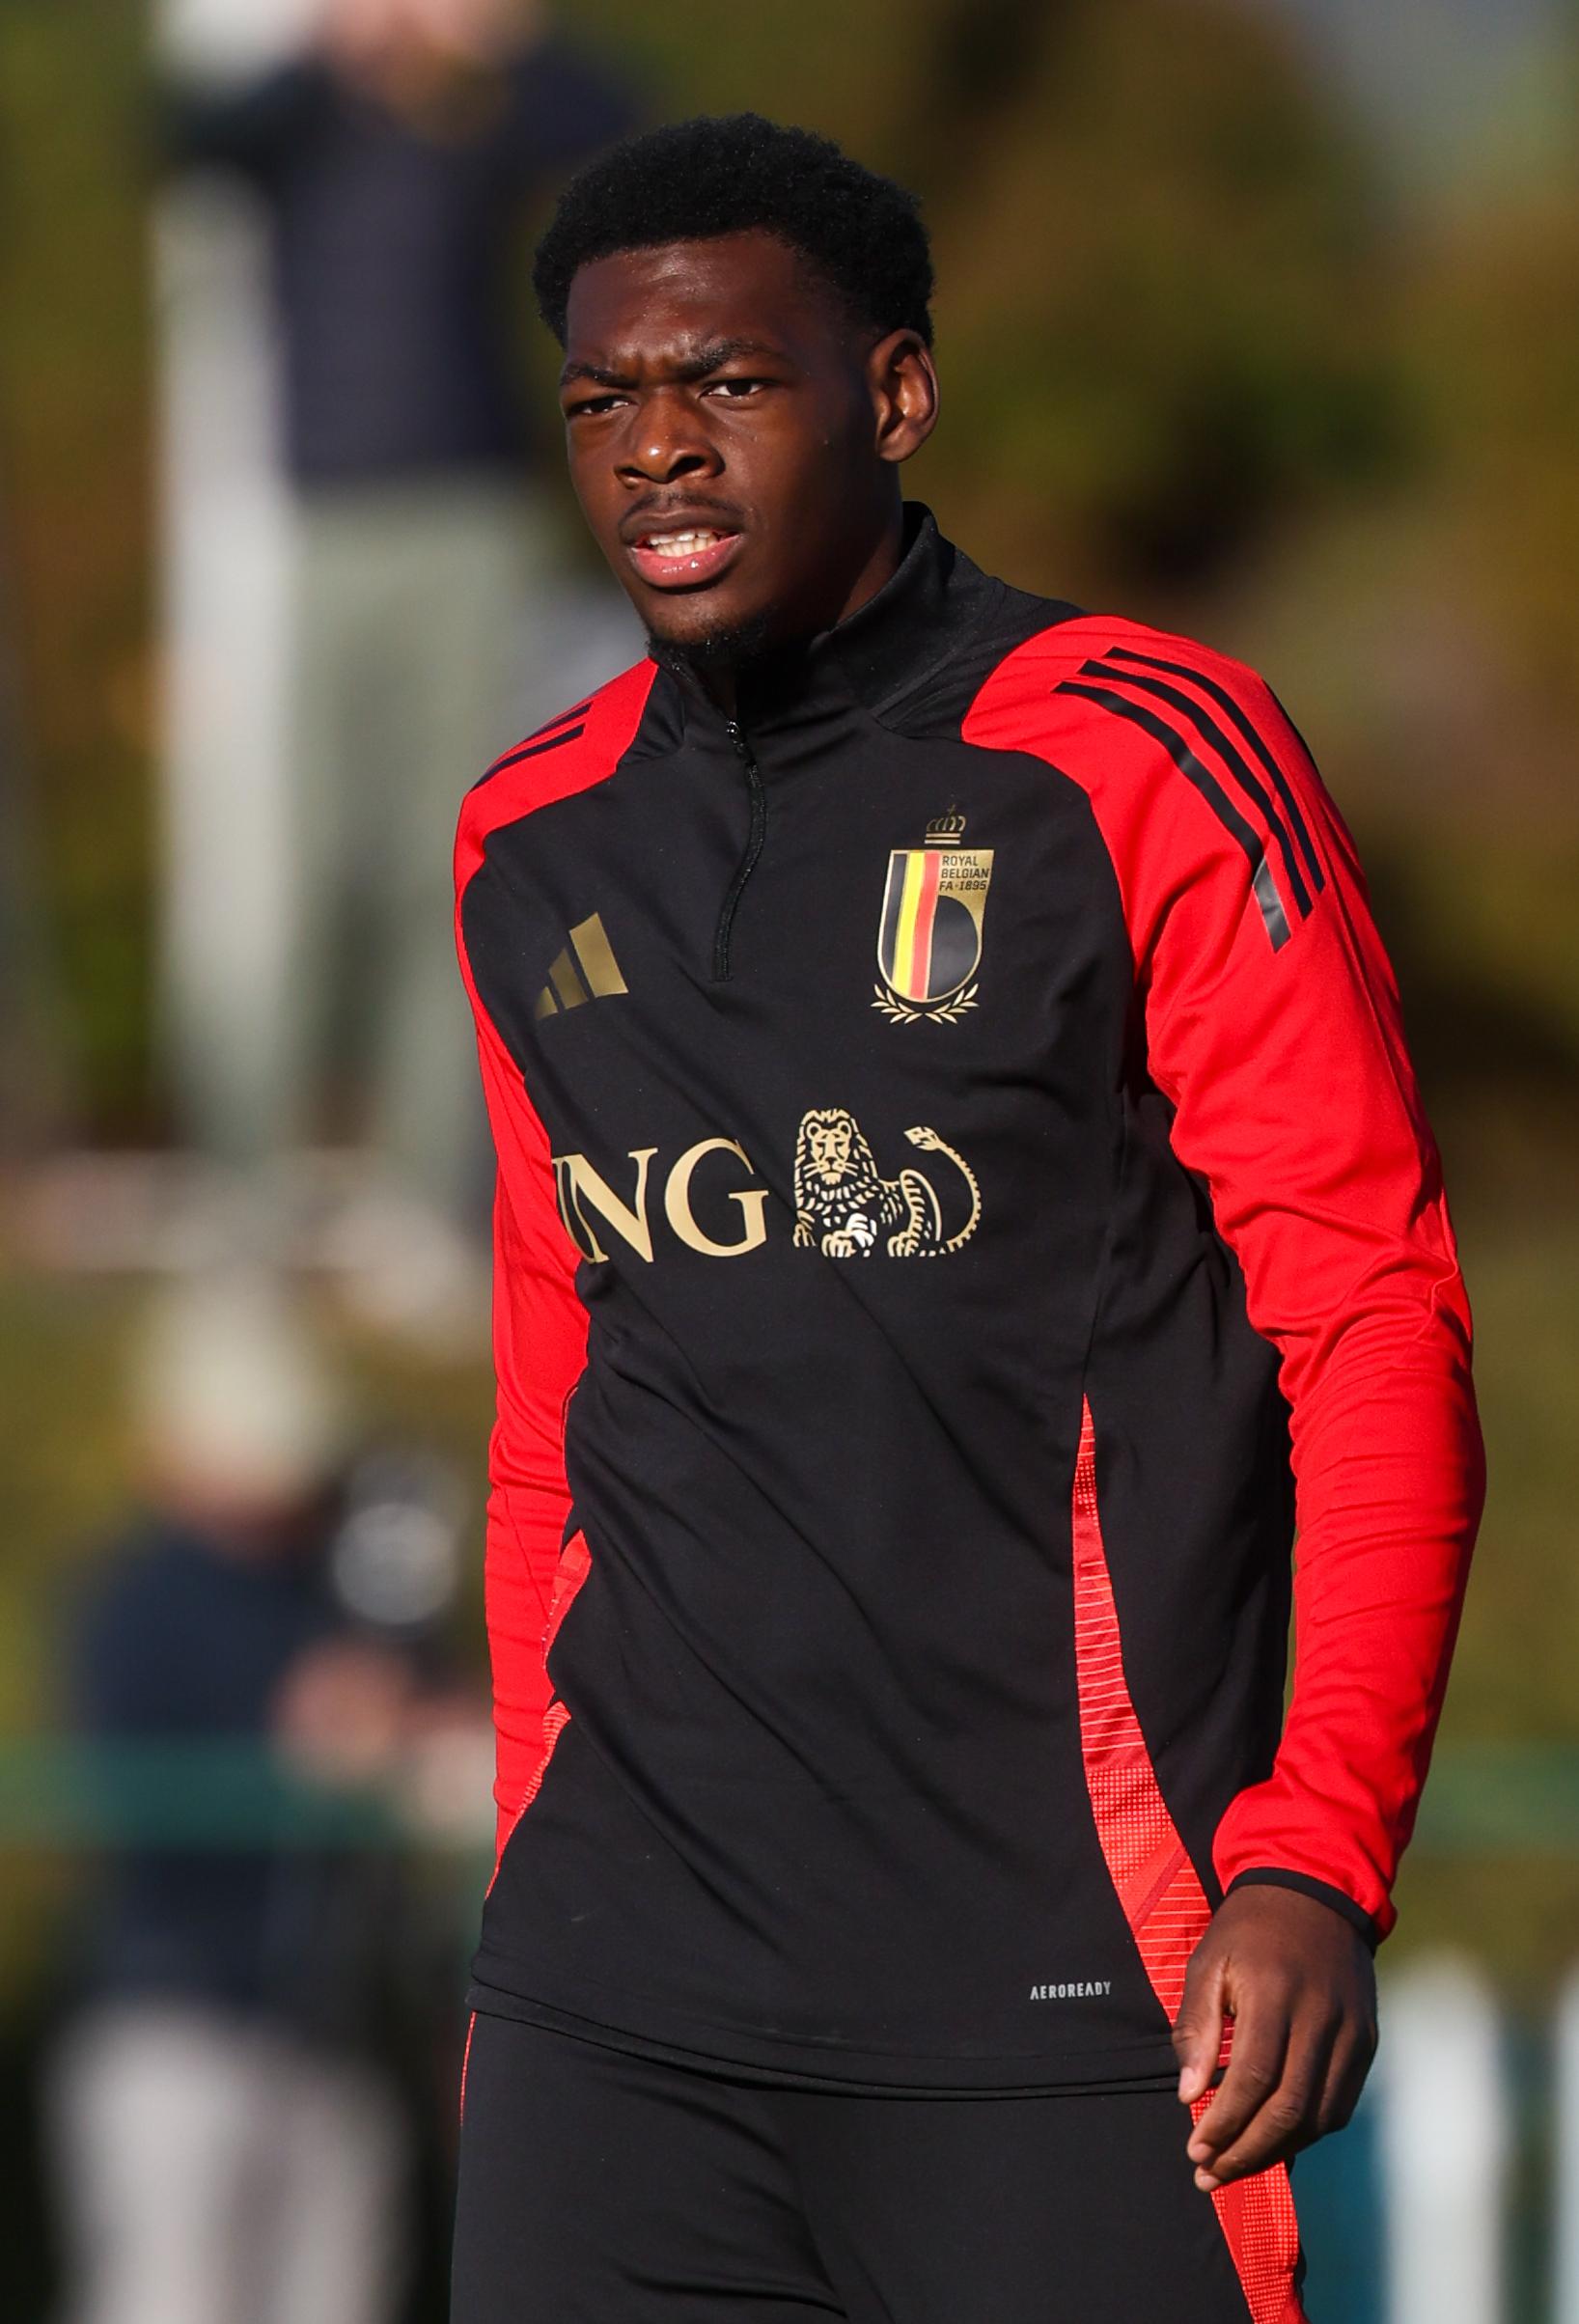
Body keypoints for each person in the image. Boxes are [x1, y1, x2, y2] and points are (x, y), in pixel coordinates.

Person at [447, 115, 1485, 2323]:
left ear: (895, 394)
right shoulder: (524, 842)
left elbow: (1373, 1323)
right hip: (614, 2020)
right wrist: (526, 1891)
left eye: (727, 382)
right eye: (602, 399)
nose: (655, 448)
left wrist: (1312, 1852)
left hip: (1063, 2004)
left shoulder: (1140, 755)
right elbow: (552, 1433)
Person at [161, 0, 635, 1286]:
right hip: (326, 528)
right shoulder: (301, 124)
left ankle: (426, 1200)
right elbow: (188, 139)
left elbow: (619, 137)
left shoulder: (473, 118)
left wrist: (501, 39)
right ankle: (246, 1195)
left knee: (452, 858)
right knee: (313, 860)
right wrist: (332, 47)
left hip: (471, 524)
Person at [44, 1270, 417, 2324]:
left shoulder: (348, 1580)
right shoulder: (133, 1599)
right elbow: (133, 1793)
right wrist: (295, 1739)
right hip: (175, 2026)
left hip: (326, 2030)